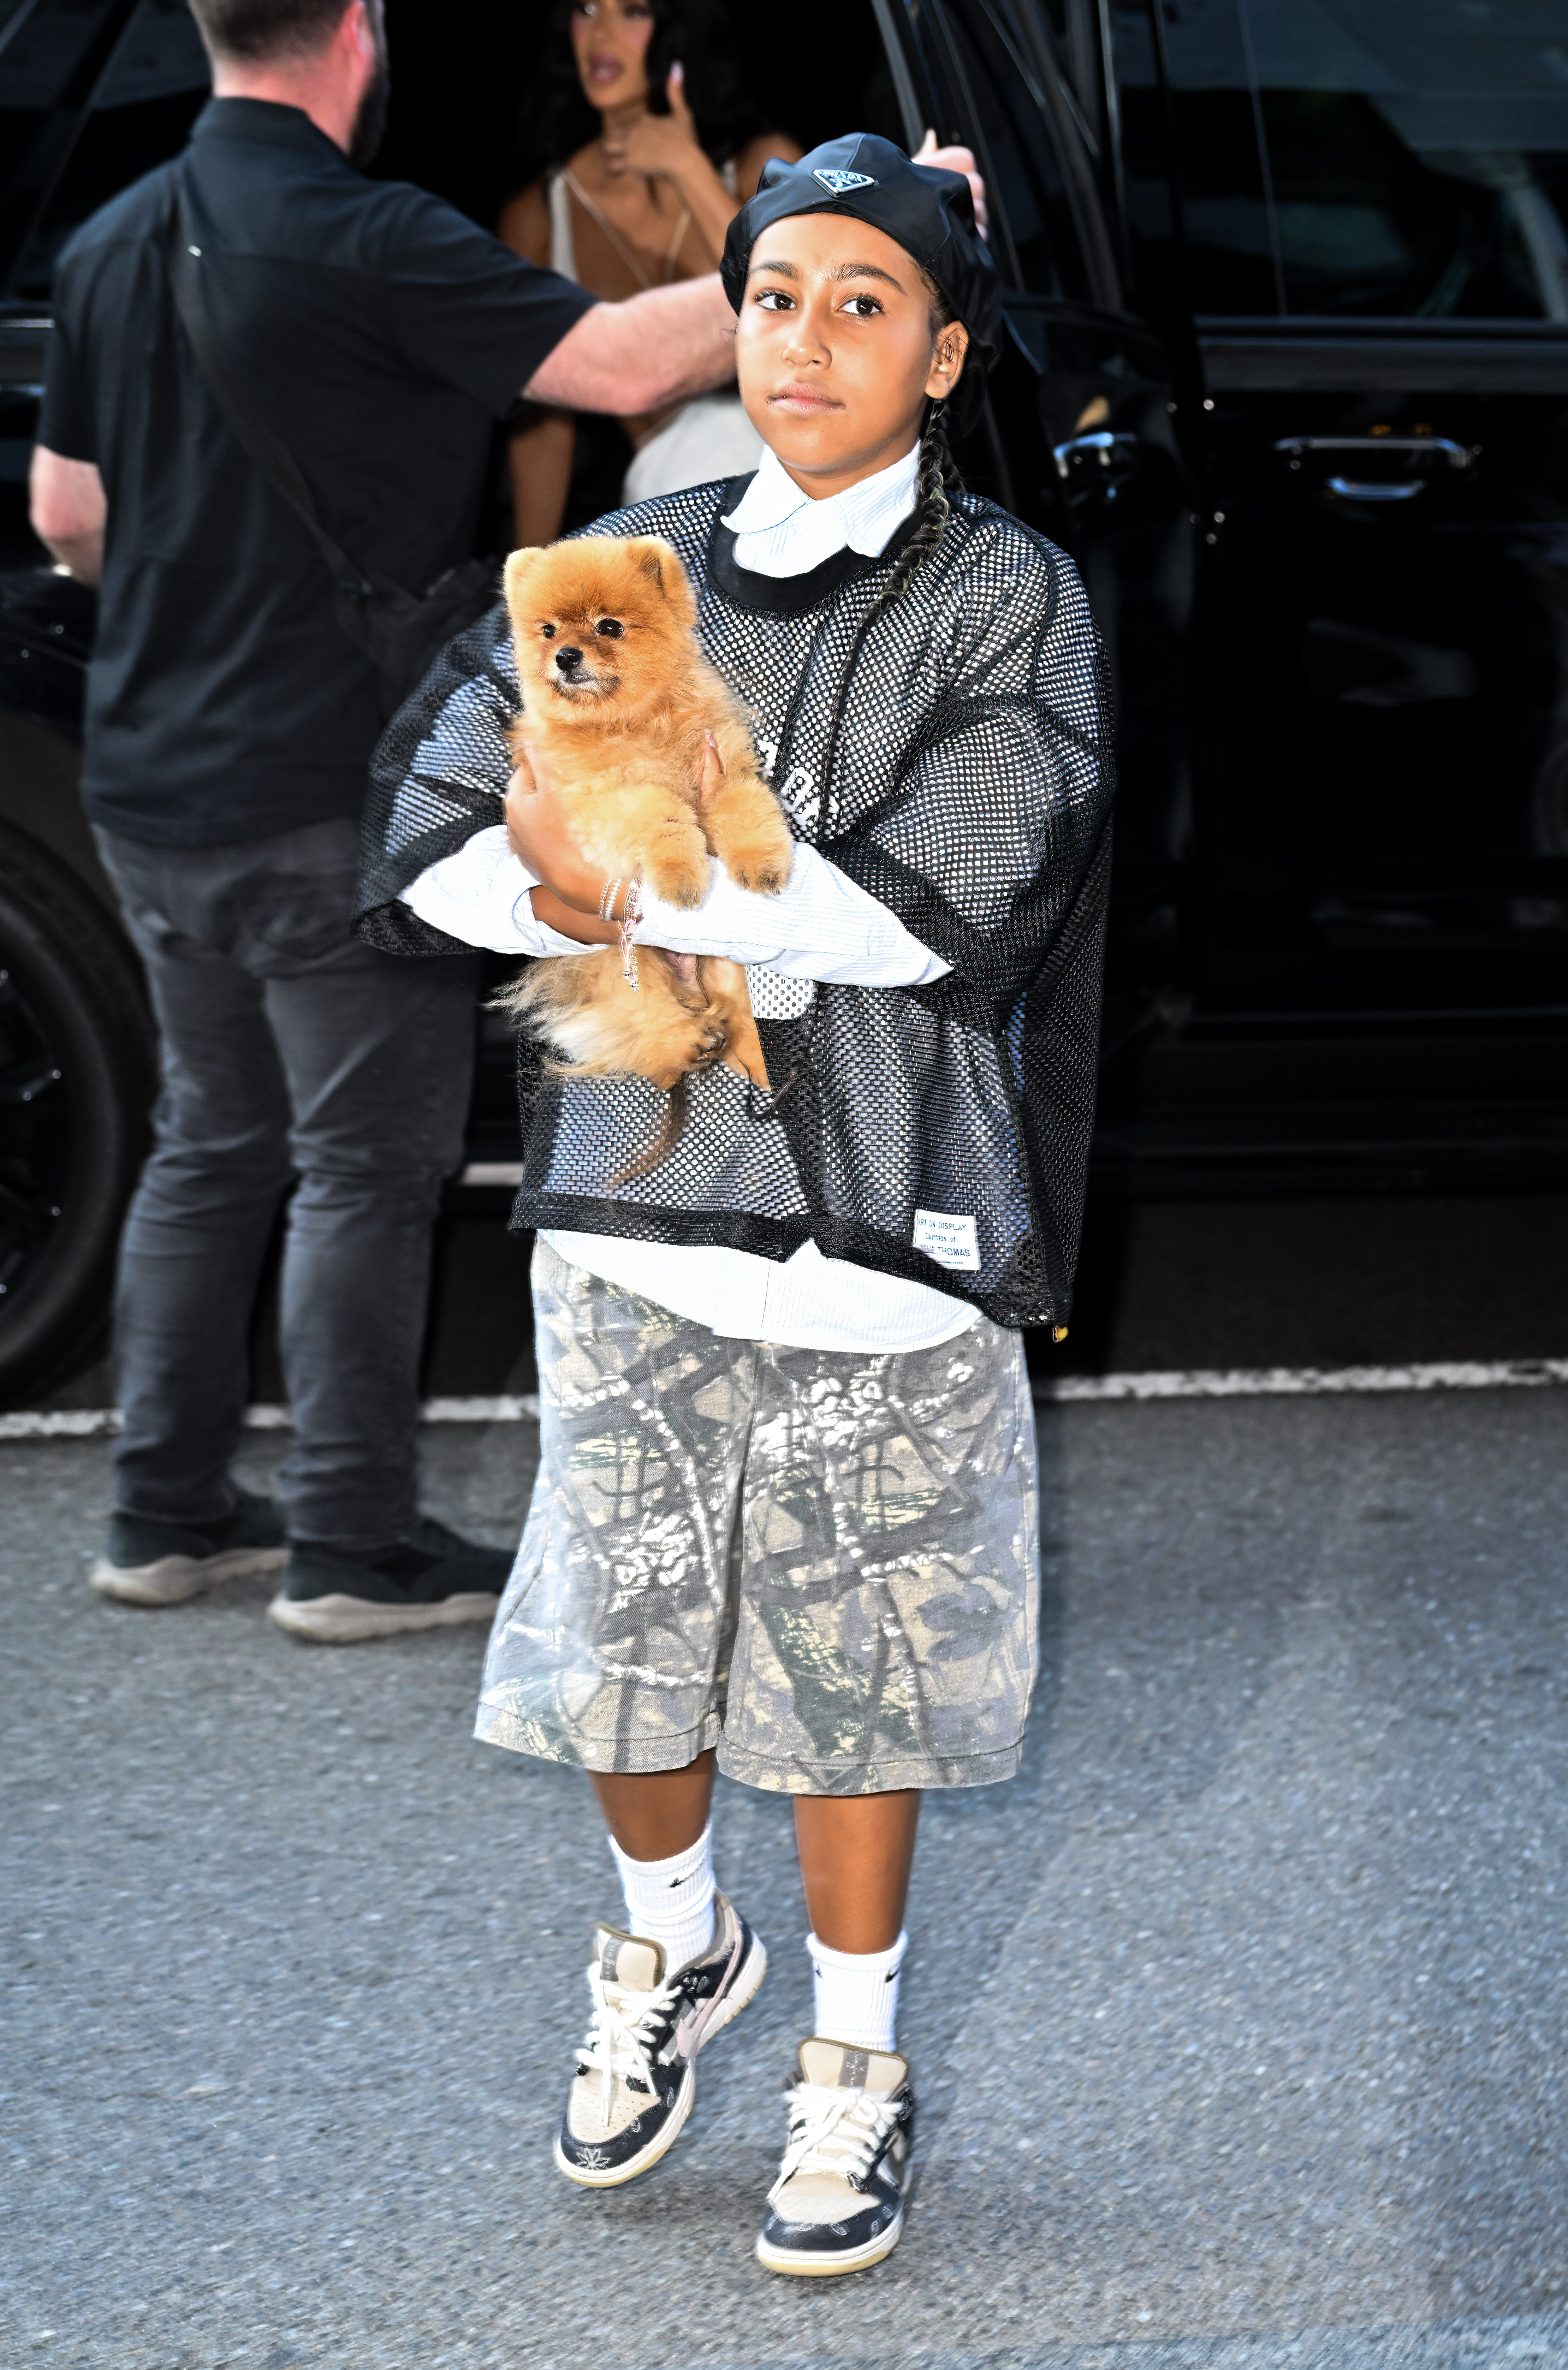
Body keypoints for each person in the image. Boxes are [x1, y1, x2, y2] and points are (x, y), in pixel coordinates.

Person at [355, 137, 1112, 2269]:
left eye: (865, 301)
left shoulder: (1008, 596)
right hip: (631, 1202)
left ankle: (854, 2058)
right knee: (629, 1646)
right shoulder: (619, 556)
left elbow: (949, 898)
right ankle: (672, 1944)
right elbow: (424, 836)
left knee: (854, 1673)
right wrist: (575, 881)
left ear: (946, 353)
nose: (806, 338)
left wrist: (633, 878)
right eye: (776, 293)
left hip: (883, 1234)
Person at [26, 0, 759, 1643]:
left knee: (208, 1141)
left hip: (148, 780)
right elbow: (630, 363)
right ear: (358, 31)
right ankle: (351, 1542)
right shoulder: (367, 233)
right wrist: (840, 227)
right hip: (322, 795)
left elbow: (67, 516)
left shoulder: (112, 234)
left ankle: (166, 1513)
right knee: (364, 1163)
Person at [497, 0, 986, 540]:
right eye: (586, 8)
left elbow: (799, 281)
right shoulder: (541, 211)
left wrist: (685, 166)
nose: (601, 33)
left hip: (828, 446)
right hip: (677, 483)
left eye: (632, 11)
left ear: (679, 27)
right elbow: (545, 415)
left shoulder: (767, 163)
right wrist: (527, 573)